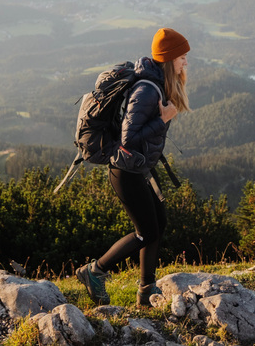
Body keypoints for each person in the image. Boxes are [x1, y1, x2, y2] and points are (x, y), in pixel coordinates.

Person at [76, 27, 191, 306]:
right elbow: (129, 139)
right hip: (124, 172)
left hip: (138, 169)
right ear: (168, 59)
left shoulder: (157, 84)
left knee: (158, 224)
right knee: (146, 232)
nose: (186, 62)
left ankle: (145, 291)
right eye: (182, 57)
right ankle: (94, 271)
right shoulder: (147, 90)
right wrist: (162, 119)